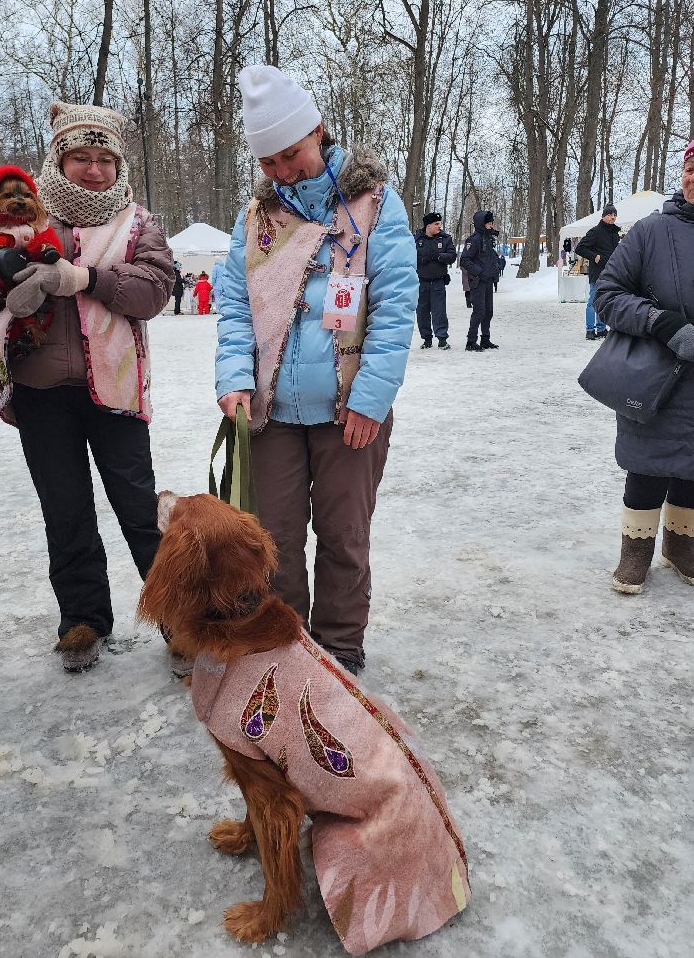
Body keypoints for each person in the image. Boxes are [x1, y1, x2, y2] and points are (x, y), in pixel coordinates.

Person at [0, 102, 175, 672]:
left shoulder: (138, 222)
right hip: (39, 387)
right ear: (60, 158)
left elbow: (155, 288)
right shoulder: (11, 217)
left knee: (138, 506)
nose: (94, 169)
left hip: (116, 387)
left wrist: (87, 278)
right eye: (82, 157)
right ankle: (82, 619)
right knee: (65, 507)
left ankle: (182, 616)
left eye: (105, 158)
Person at [215, 64, 418, 676]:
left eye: (291, 154)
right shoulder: (255, 220)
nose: (282, 171)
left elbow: (395, 301)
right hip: (272, 410)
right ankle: (286, 646)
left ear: (318, 131)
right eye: (268, 162)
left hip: (348, 410)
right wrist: (234, 378)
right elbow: (233, 304)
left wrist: (371, 399)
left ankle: (340, 649)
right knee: (271, 540)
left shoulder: (374, 202)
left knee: (344, 537)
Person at [595, 141, 694, 595]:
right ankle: (636, 551)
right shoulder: (650, 231)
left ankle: (681, 545)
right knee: (648, 464)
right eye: (691, 168)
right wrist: (660, 322)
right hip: (658, 375)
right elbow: (609, 295)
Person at [575, 204, 621, 341]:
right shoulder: (595, 232)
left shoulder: (614, 233)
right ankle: (590, 329)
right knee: (593, 301)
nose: (613, 217)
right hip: (597, 272)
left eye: (614, 215)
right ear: (603, 216)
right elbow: (580, 248)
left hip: (611, 273)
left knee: (604, 302)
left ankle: (601, 329)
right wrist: (595, 256)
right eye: (610, 214)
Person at [459, 210, 501, 351]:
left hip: (488, 281)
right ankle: (471, 342)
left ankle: (485, 339)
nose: (491, 225)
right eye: (488, 223)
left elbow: (490, 258)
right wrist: (479, 272)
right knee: (479, 312)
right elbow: (464, 260)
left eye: (491, 222)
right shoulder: (474, 240)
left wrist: (495, 269)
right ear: (481, 224)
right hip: (477, 281)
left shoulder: (489, 239)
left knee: (488, 312)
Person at [414, 211, 456, 350]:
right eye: (436, 224)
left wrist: (438, 256)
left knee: (439, 311)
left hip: (438, 282)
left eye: (440, 223)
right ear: (428, 225)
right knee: (422, 312)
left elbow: (452, 256)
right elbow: (408, 258)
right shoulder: (416, 239)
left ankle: (442, 339)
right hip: (421, 282)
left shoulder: (445, 239)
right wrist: (423, 259)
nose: (439, 226)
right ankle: (426, 339)